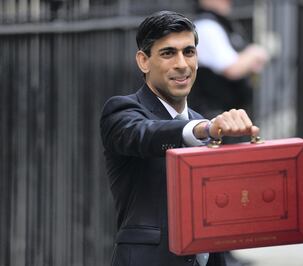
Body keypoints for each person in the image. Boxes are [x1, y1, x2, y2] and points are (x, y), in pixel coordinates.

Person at [100, 10, 259, 266]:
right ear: (143, 61)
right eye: (168, 53)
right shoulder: (122, 111)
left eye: (189, 52)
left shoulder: (200, 121)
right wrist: (202, 130)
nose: (182, 64)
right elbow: (145, 135)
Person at [189, 0, 268, 120]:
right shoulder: (206, 26)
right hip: (216, 118)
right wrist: (254, 53)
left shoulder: (219, 23)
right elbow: (232, 69)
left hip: (228, 115)